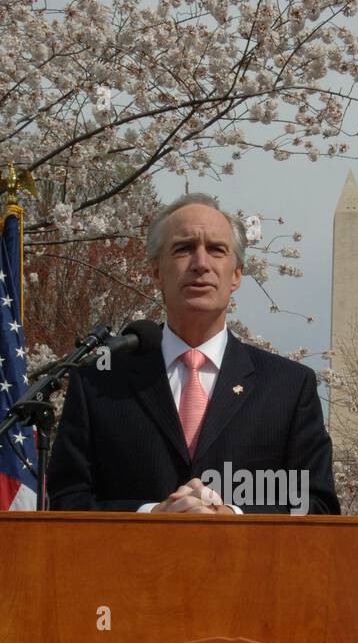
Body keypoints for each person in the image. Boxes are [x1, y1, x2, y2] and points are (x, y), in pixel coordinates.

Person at [47, 192, 341, 516]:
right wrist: (149, 515)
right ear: (157, 271)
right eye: (184, 248)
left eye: (216, 250)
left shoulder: (288, 386)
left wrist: (233, 517)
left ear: (236, 275)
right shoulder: (97, 381)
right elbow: (66, 501)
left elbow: (317, 507)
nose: (201, 264)